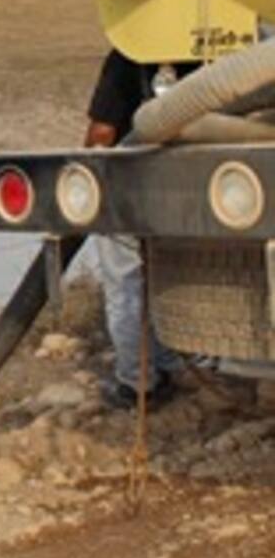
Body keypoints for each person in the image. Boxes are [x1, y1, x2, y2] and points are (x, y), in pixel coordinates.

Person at [85, 49, 190, 409]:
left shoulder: (129, 54)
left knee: (125, 288)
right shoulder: (215, 52)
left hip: (127, 190)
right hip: (188, 189)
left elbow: (102, 132)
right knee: (170, 280)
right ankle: (172, 361)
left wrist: (85, 179)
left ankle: (138, 382)